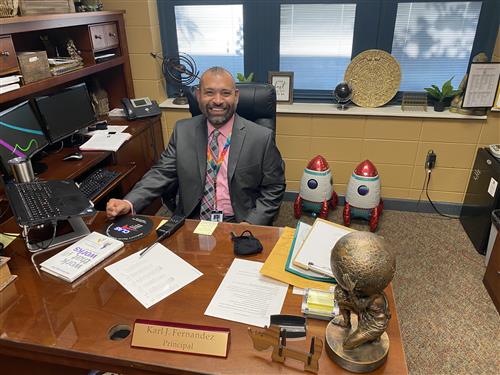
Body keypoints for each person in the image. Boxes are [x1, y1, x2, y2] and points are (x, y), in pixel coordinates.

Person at [106, 67, 285, 225]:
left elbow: (274, 187)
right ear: (198, 95)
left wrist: (251, 223)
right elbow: (161, 173)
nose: (217, 100)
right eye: (209, 93)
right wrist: (129, 202)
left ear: (236, 96)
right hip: (192, 219)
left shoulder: (261, 137)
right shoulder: (182, 131)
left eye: (225, 93)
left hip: (238, 221)